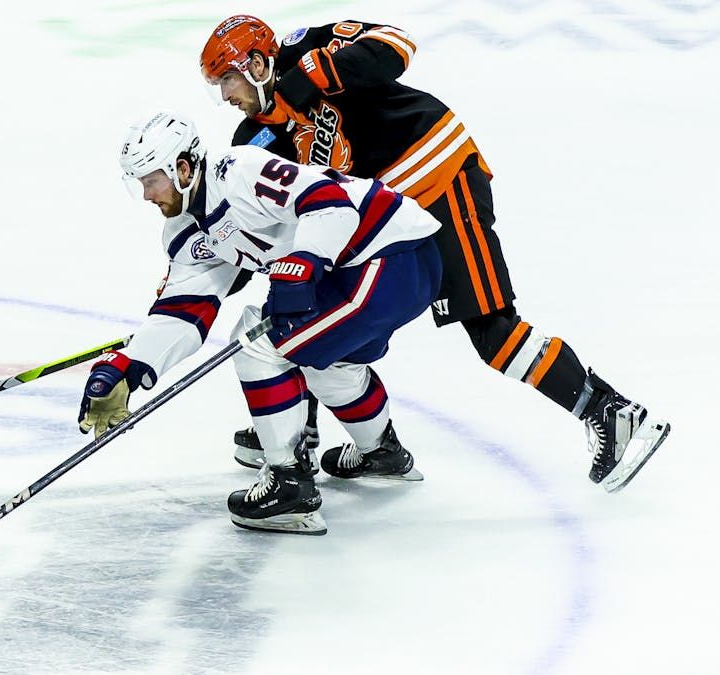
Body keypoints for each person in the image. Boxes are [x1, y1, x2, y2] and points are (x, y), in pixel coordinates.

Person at [199, 15, 670, 492]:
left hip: (439, 181)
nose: (224, 96)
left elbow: (396, 44)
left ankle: (608, 411)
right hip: (390, 227)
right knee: (305, 300)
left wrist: (318, 73)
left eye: (228, 80)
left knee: (493, 330)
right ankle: (301, 426)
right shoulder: (252, 141)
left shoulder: (308, 48)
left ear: (257, 63)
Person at [77, 110, 441, 534]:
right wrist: (131, 365)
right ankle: (381, 452)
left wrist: (305, 261)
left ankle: (289, 484)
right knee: (326, 363)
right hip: (375, 270)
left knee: (258, 344)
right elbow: (184, 310)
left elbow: (326, 199)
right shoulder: (185, 230)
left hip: (387, 255)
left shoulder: (239, 171)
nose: (145, 195)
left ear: (182, 167)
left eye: (150, 180)